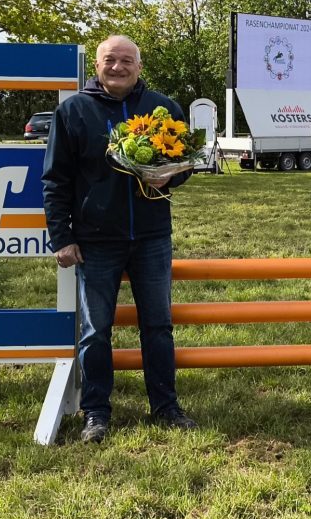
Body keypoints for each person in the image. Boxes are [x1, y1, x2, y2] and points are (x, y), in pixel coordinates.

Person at [42, 35, 196, 443]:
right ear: (97, 65)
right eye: (110, 60)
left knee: (159, 326)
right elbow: (55, 181)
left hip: (151, 236)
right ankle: (96, 413)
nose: (118, 67)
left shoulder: (164, 110)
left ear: (139, 67)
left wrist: (173, 174)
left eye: (127, 60)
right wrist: (62, 237)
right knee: (95, 331)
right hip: (95, 241)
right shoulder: (73, 111)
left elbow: (184, 164)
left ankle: (165, 406)